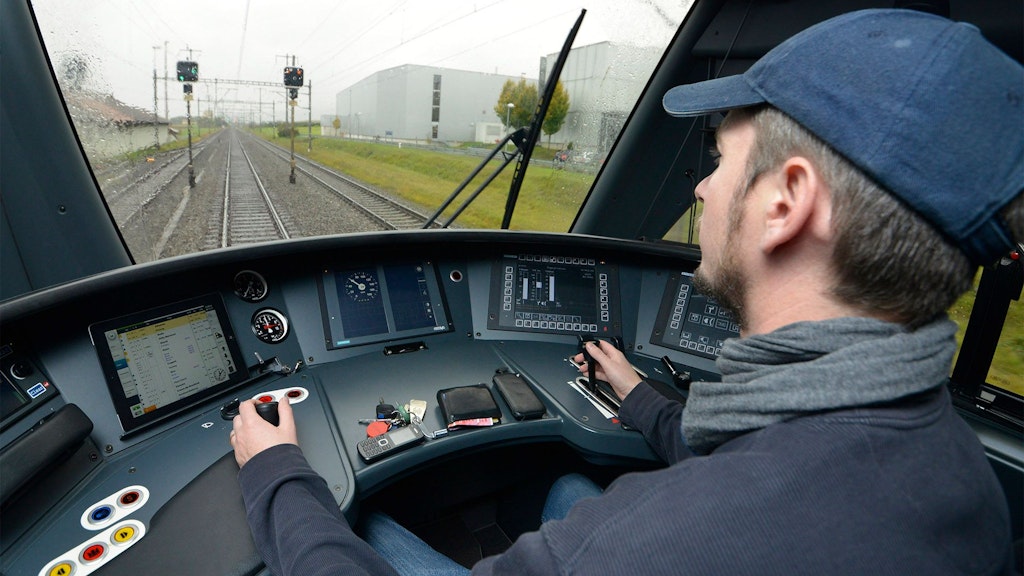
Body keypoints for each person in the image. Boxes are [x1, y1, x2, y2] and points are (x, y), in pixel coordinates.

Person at [230, 8, 1023, 575]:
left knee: (360, 515)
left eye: (719, 161)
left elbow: (704, 511)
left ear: (785, 203)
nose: (705, 192)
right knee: (572, 484)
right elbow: (758, 457)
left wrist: (278, 474)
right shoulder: (962, 473)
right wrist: (638, 393)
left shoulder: (655, 542)